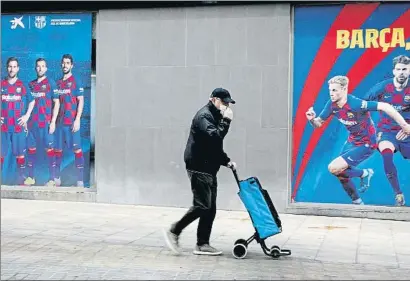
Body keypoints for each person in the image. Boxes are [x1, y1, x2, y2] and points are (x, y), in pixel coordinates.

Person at [306, 75, 410, 205]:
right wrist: (311, 119)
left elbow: (385, 106)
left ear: (344, 89)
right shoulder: (331, 105)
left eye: (335, 90)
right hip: (352, 142)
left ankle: (365, 173)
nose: (331, 93)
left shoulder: (355, 103)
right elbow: (318, 123)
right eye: (330, 90)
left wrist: (405, 126)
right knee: (340, 174)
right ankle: (357, 201)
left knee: (333, 167)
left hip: (367, 143)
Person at [163, 87, 237, 256]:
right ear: (213, 99)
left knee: (210, 208)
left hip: (209, 167)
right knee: (202, 205)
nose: (226, 106)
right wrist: (227, 121)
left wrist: (226, 161)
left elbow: (215, 146)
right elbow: (215, 137)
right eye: (224, 102)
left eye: (228, 103)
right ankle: (174, 230)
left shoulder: (215, 116)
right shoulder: (203, 116)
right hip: (198, 166)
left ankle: (202, 244)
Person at [364, 55, 410, 206]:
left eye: (405, 69)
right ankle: (398, 193)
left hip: (407, 131)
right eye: (399, 69)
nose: (401, 72)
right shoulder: (383, 87)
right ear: (394, 71)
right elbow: (363, 103)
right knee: (386, 154)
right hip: (387, 131)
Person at [25, 58, 60, 186]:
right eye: (38, 66)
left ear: (46, 68)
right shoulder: (31, 85)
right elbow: (27, 104)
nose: (40, 68)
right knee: (31, 150)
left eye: (43, 66)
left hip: (45, 124)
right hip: (32, 125)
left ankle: (52, 179)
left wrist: (53, 122)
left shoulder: (51, 83)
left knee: (49, 150)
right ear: (35, 68)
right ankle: (31, 177)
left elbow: (57, 103)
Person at [1, 57, 35, 185]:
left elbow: (32, 101)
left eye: (14, 66)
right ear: (6, 67)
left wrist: (26, 116)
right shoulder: (1, 84)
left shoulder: (22, 85)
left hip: (18, 126)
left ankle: (21, 179)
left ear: (18, 68)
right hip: (3, 127)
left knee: (20, 155)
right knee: (1, 154)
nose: (12, 69)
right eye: (10, 66)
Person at [54, 54, 85, 187]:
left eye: (68, 63)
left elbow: (81, 101)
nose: (65, 65)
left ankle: (80, 180)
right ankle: (57, 179)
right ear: (61, 65)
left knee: (77, 151)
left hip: (72, 123)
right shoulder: (58, 83)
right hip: (59, 124)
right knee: (58, 151)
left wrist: (77, 119)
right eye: (63, 63)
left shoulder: (76, 81)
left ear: (72, 65)